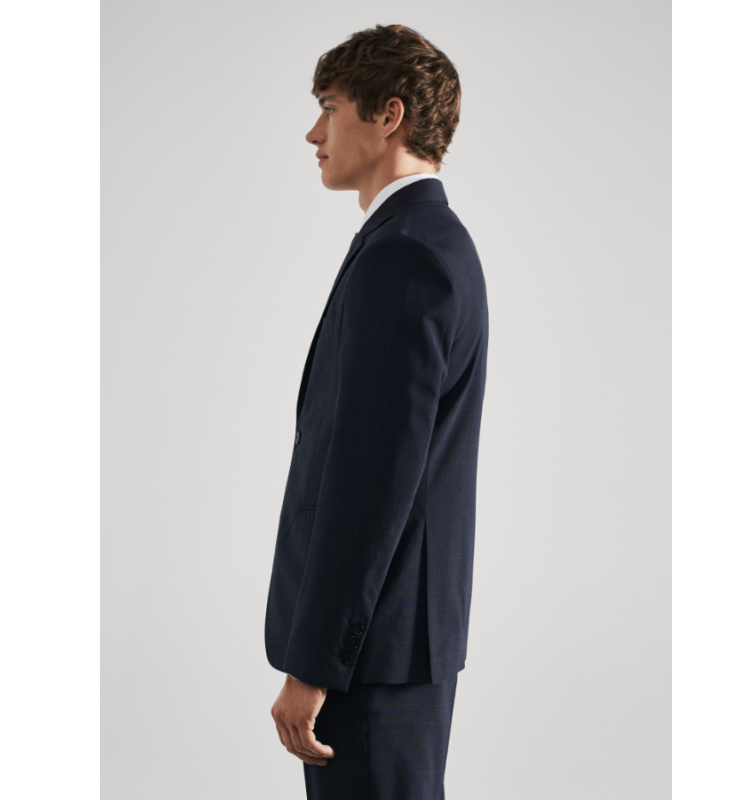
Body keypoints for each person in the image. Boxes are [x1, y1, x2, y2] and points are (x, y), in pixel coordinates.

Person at [265, 23, 489, 799]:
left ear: (388, 115)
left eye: (329, 107)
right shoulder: (423, 240)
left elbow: (371, 482)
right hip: (392, 646)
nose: (314, 132)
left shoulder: (405, 254)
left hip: (371, 657)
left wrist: (314, 665)